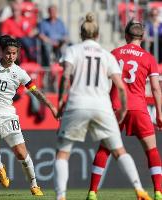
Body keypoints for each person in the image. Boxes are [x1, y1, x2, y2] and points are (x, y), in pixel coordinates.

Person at [54, 13, 151, 200]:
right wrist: (122, 108)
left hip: (78, 103)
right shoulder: (107, 55)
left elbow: (65, 77)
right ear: (98, 35)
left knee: (63, 153)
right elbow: (120, 86)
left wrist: (59, 102)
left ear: (81, 35)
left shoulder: (73, 51)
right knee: (119, 151)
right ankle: (139, 190)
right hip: (102, 106)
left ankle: (61, 196)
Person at [0, 35, 57, 196]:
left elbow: (35, 91)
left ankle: (34, 185)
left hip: (8, 115)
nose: (11, 57)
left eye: (14, 53)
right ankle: (0, 168)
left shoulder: (20, 73)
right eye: (8, 53)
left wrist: (51, 106)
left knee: (21, 153)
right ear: (2, 52)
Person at [86, 20, 162, 200]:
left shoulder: (114, 53)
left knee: (104, 149)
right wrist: (159, 113)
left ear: (126, 36)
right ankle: (158, 192)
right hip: (138, 108)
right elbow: (156, 89)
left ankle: (92, 192)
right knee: (151, 150)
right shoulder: (148, 58)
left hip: (115, 107)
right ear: (142, 38)